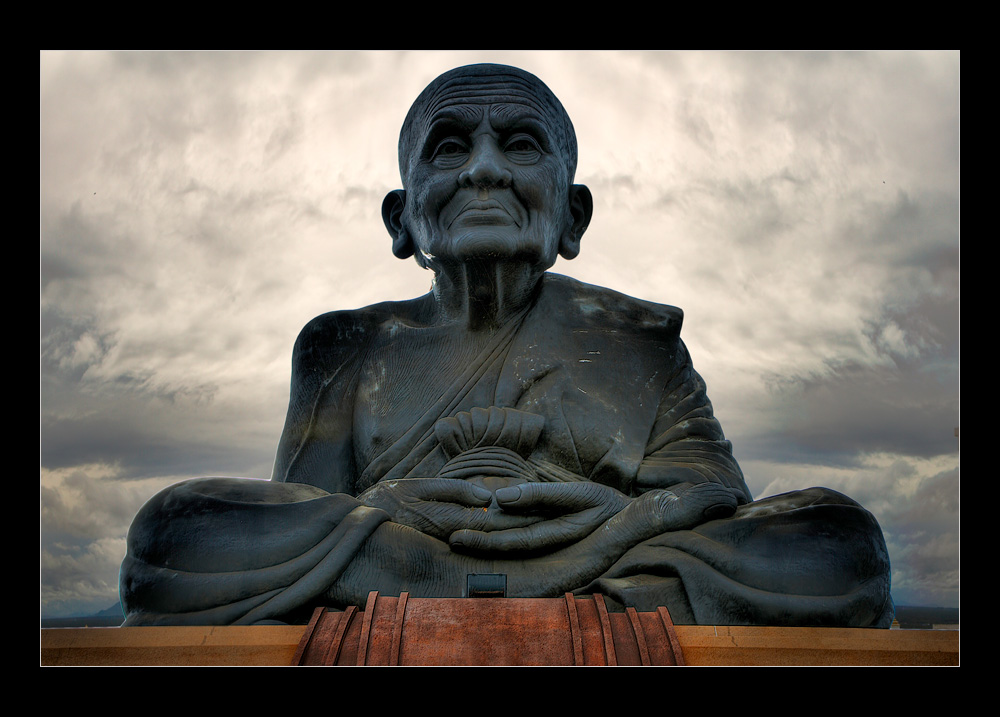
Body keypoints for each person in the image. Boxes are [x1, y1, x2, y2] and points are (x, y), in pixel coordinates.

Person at [120, 64, 892, 627]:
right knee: (175, 531)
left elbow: (715, 505)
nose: (483, 168)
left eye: (519, 143)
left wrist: (614, 521)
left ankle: (451, 582)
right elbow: (305, 525)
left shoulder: (640, 341)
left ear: (573, 216)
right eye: (449, 148)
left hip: (469, 568)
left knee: (839, 541)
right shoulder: (344, 345)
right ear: (401, 219)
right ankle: (523, 587)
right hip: (599, 576)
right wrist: (385, 508)